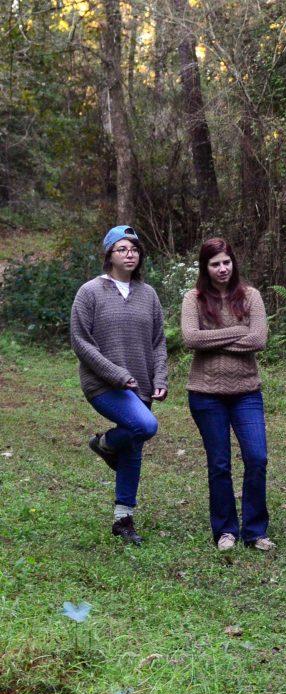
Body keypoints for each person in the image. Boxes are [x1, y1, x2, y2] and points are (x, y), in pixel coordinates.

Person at [70, 225, 167, 545]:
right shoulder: (90, 292)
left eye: (135, 249)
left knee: (134, 446)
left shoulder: (148, 294)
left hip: (141, 384)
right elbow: (82, 343)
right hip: (103, 385)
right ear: (108, 255)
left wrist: (161, 378)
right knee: (145, 426)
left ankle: (123, 520)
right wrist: (116, 374)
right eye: (123, 249)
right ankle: (105, 443)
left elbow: (158, 343)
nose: (131, 254)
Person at [181, 238, 274, 552]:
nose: (222, 269)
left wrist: (215, 339)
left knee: (257, 458)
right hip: (206, 394)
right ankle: (225, 531)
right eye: (214, 264)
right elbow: (191, 338)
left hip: (246, 392)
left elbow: (259, 339)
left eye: (226, 262)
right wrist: (238, 331)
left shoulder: (251, 296)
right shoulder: (193, 299)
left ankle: (255, 531)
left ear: (233, 263)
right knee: (219, 464)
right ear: (205, 268)